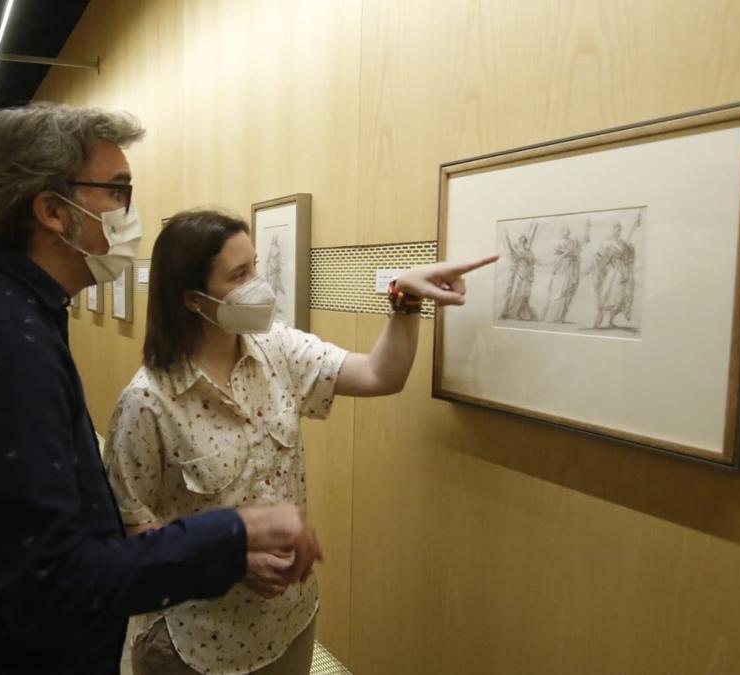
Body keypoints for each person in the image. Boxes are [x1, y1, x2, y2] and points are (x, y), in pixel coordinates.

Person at [0, 103, 324, 674]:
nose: (127, 212)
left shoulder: (0, 310)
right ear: (52, 211)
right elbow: (49, 584)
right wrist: (230, 534)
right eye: (117, 191)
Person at [103, 209, 496, 674]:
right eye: (240, 274)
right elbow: (133, 531)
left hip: (288, 621)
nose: (259, 284)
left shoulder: (277, 350)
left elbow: (380, 374)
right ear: (192, 299)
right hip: (197, 644)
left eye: (255, 267)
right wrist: (227, 558)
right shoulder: (148, 402)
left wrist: (404, 300)